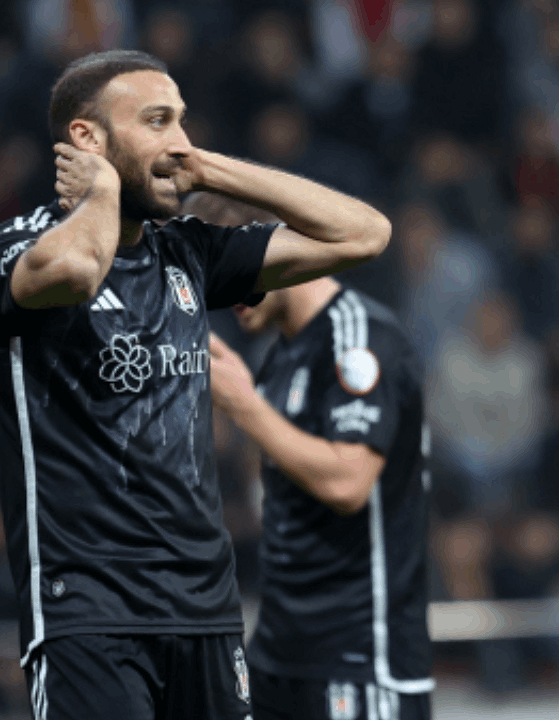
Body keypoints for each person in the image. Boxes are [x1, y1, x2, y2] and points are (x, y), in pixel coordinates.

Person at [0, 50, 391, 720]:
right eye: (157, 122)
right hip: (89, 614)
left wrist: (206, 168)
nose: (179, 141)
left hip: (206, 612)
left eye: (182, 122)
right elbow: (78, 271)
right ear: (86, 137)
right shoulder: (13, 252)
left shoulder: (187, 252)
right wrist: (102, 194)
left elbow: (363, 234)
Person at [193, 193, 432, 720]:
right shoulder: (279, 356)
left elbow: (348, 482)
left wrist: (244, 405)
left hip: (358, 659)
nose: (225, 295)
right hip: (282, 654)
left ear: (277, 249)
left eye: (234, 273)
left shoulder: (359, 338)